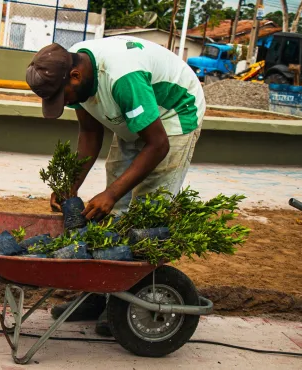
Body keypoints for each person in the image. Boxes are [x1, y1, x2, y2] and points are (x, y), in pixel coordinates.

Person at [25, 36, 206, 336]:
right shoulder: (75, 71)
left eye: (62, 97)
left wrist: (110, 193)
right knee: (115, 212)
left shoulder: (122, 79)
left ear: (75, 76)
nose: (65, 103)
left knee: (146, 214)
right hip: (138, 117)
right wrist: (71, 186)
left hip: (172, 117)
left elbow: (158, 145)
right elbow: (90, 133)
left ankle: (127, 301)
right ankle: (99, 293)